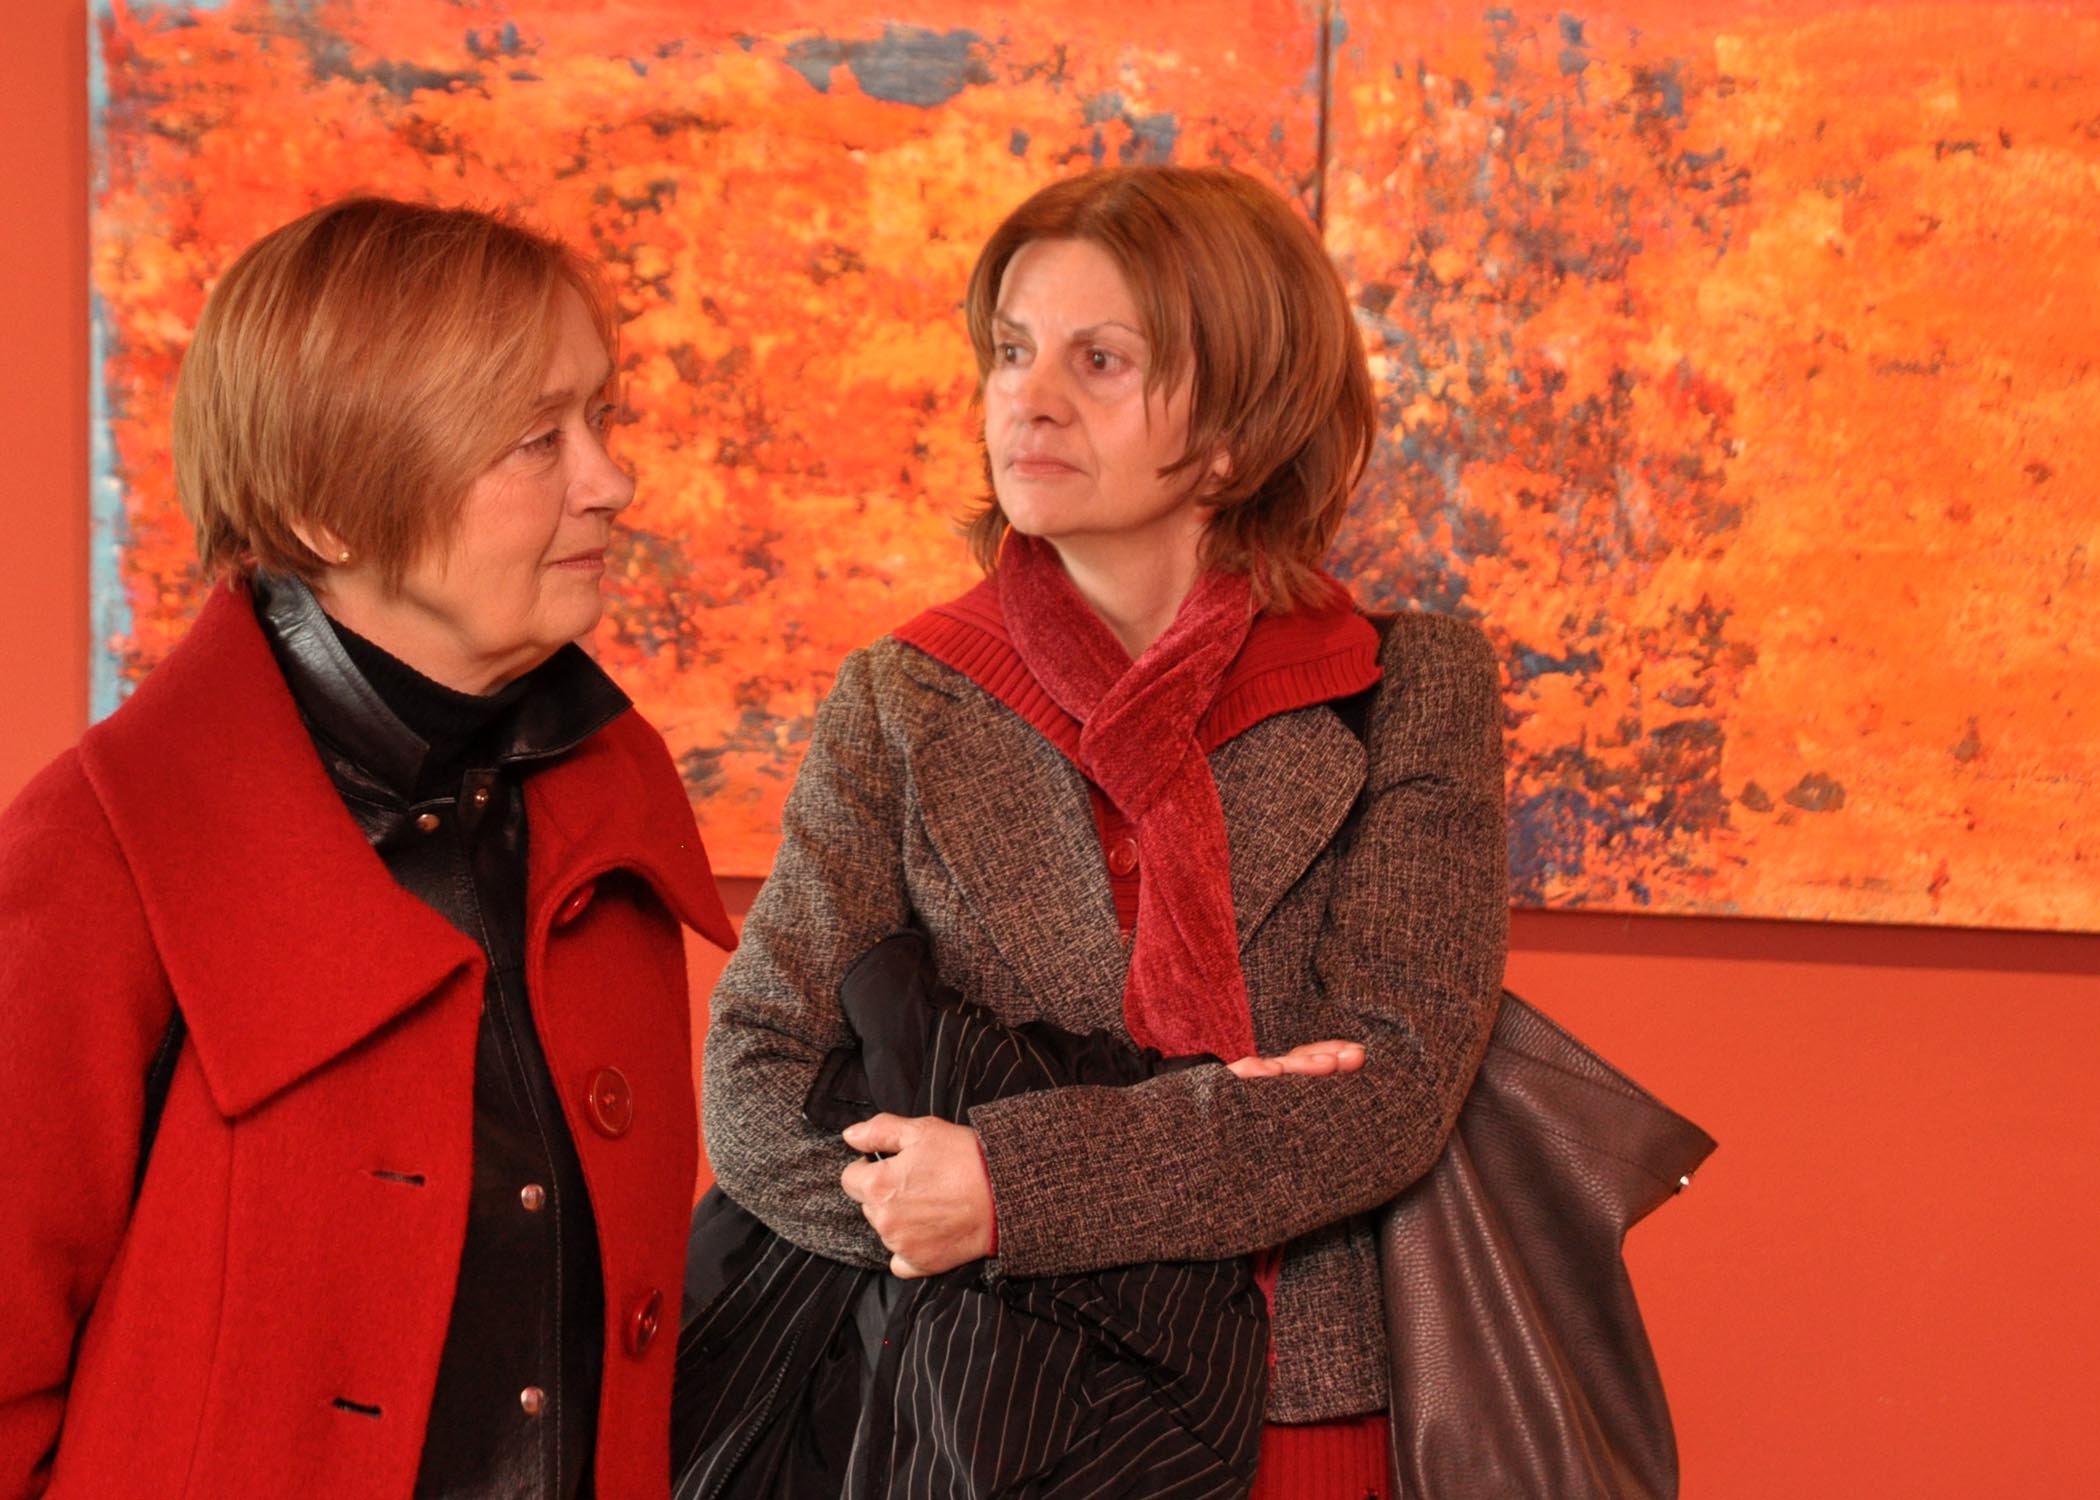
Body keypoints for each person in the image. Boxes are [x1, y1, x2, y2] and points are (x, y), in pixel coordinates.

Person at [701, 165, 1508, 1496]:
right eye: (1012, 351)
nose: (1030, 397)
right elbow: (755, 1081)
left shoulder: (1404, 689)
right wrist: (938, 1206)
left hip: (1297, 1413)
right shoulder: (905, 697)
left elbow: (1388, 1094)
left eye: (1101, 359)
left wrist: (1006, 1185)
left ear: (1238, 429)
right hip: (987, 1416)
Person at [0, 198, 734, 1499]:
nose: (611, 481)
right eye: (538, 439)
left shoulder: (603, 802)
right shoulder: (104, 855)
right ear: (329, 508)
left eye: (601, 418)